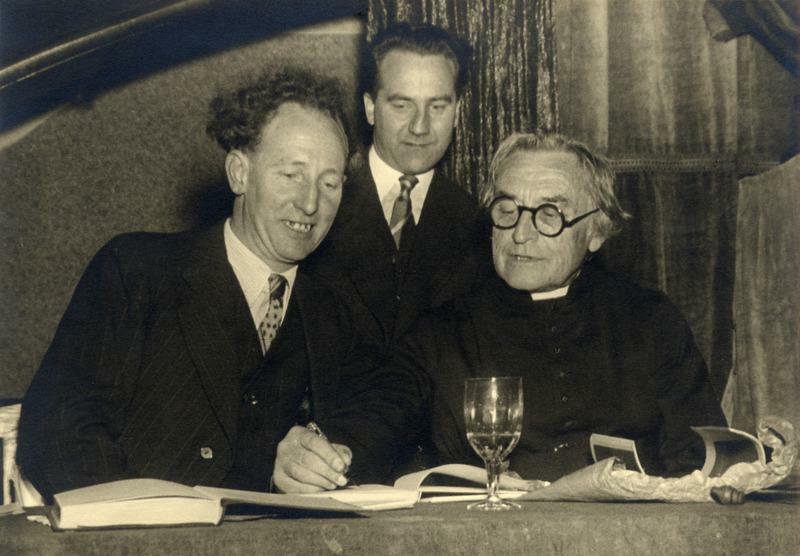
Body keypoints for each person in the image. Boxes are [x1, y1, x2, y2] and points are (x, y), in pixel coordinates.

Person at [16, 68, 425, 502]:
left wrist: (319, 454)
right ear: (238, 173)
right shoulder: (136, 271)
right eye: (292, 175)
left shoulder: (335, 310)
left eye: (329, 183)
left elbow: (394, 402)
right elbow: (56, 433)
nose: (310, 203)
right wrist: (142, 518)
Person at [391, 132, 727, 481]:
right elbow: (377, 428)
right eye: (506, 210)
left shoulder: (651, 321)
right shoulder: (441, 332)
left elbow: (703, 458)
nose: (520, 234)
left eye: (549, 214)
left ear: (596, 231)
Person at [306, 22, 490, 350]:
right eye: (402, 105)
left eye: (437, 107)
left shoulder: (477, 224)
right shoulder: (315, 205)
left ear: (457, 111)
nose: (420, 127)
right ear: (370, 108)